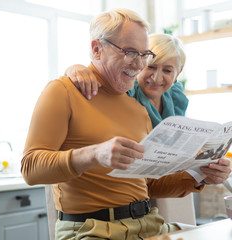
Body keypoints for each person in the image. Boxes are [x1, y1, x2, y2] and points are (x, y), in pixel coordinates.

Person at [21, 9, 231, 240]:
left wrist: (201, 175)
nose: (139, 64)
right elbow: (30, 169)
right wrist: (94, 154)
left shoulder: (137, 108)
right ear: (96, 49)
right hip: (91, 231)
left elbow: (148, 184)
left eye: (144, 54)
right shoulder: (63, 91)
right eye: (130, 52)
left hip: (149, 225)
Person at [65, 33, 231, 183]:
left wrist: (208, 166)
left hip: (165, 180)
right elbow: (98, 77)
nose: (157, 77)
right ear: (138, 63)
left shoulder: (176, 97)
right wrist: (74, 69)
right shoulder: (127, 90)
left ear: (178, 73)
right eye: (151, 67)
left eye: (167, 70)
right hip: (129, 180)